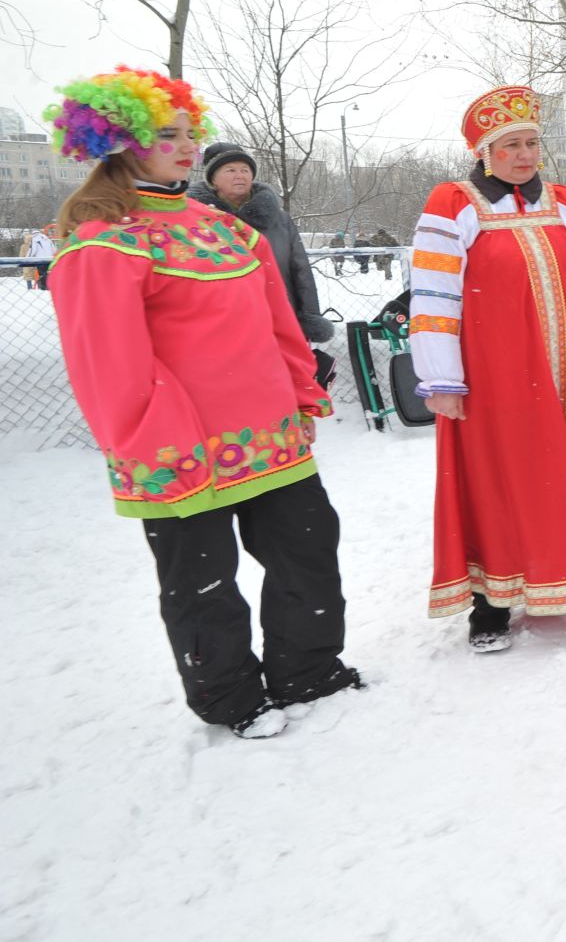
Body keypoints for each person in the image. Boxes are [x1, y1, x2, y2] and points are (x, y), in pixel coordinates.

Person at [45, 67, 358, 739]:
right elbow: (111, 366)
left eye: (191, 132)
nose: (187, 147)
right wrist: (159, 438)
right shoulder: (104, 243)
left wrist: (300, 393)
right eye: (166, 134)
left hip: (270, 438)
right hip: (179, 448)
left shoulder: (228, 231)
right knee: (203, 582)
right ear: (117, 140)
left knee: (309, 551)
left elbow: (280, 325)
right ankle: (231, 699)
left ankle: (310, 669)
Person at [408, 85, 566, 650]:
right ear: (485, 151)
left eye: (532, 142)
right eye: (511, 145)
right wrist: (441, 378)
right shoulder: (453, 203)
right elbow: (434, 293)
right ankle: (491, 602)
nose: (526, 154)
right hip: (495, 374)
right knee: (498, 478)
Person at [188, 141, 335, 348]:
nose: (240, 175)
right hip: (221, 328)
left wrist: (309, 317)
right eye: (230, 170)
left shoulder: (280, 220)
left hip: (279, 321)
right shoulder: (197, 222)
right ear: (213, 180)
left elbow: (301, 271)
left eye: (245, 170)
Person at [25, 222, 55, 289]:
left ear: (32, 233)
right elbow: (54, 249)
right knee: (48, 274)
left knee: (42, 275)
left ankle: (43, 288)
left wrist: (26, 259)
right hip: (50, 259)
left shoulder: (35, 239)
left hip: (40, 260)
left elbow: (32, 250)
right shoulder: (47, 238)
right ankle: (50, 287)